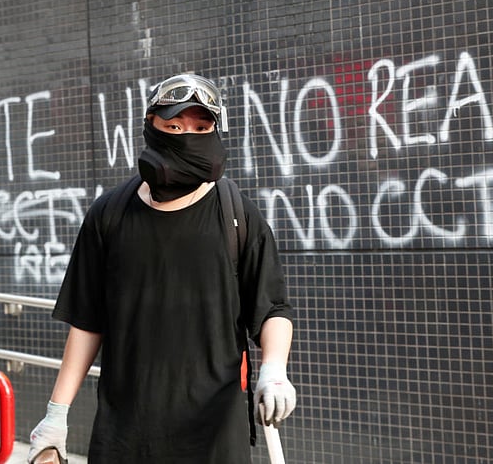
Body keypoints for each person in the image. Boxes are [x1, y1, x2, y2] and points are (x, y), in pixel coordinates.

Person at [28, 73, 296, 463]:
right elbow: (87, 322)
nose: (188, 135)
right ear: (150, 126)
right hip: (126, 435)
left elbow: (271, 308)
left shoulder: (237, 216)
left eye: (201, 127)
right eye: (174, 125)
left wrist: (274, 371)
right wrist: (56, 416)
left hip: (216, 434)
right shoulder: (110, 214)